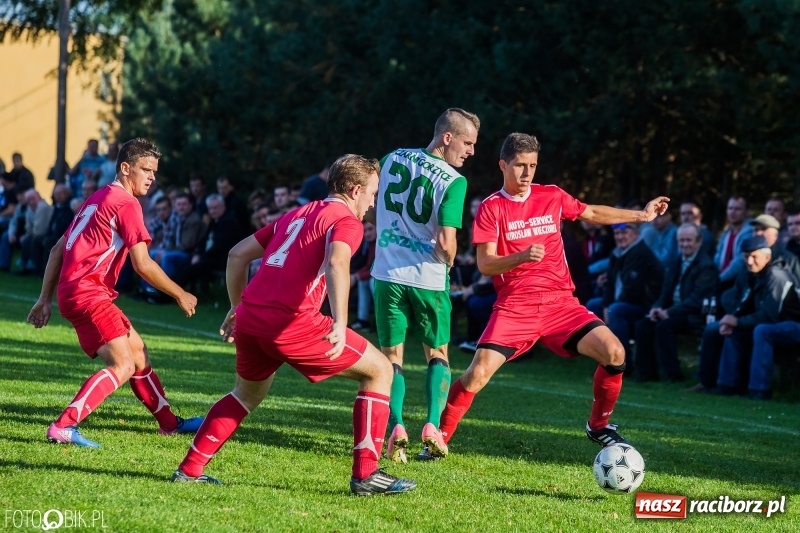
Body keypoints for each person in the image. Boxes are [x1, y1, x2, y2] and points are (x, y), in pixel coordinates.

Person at [172, 154, 416, 496]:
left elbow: (236, 255)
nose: (373, 202)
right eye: (373, 193)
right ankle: (366, 475)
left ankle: (189, 469)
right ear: (355, 189)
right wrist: (341, 322)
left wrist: (236, 307)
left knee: (245, 394)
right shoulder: (346, 220)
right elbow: (337, 262)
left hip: (253, 318)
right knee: (380, 371)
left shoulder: (297, 213)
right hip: (292, 322)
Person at [437, 132, 670, 450]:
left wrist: (641, 216)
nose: (526, 173)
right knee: (477, 373)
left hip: (561, 304)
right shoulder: (492, 208)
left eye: (532, 165)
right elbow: (486, 265)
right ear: (503, 165)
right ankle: (437, 438)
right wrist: (521, 256)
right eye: (519, 165)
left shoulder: (552, 196)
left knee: (615, 353)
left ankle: (598, 426)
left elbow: (591, 212)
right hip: (515, 306)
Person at [26, 138, 204, 448]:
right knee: (122, 365)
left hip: (79, 292)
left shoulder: (98, 198)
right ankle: (63, 426)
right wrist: (180, 293)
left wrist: (44, 299)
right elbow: (143, 264)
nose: (151, 177)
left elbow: (57, 250)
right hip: (89, 293)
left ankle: (169, 424)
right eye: (145, 170)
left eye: (154, 171)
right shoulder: (125, 203)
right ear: (125, 168)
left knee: (137, 353)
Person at [370, 108, 480, 463]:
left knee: (391, 359)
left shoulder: (392, 157)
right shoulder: (453, 181)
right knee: (437, 354)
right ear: (447, 138)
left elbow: (370, 203)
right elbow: (447, 242)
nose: (471, 151)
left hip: (387, 275)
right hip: (428, 280)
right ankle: (432, 425)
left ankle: (397, 426)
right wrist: (450, 258)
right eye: (467, 142)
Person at [633, 223, 718, 382]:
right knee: (643, 325)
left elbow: (697, 300)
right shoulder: (676, 261)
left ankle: (673, 374)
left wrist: (669, 312)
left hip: (694, 315)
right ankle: (646, 373)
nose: (685, 244)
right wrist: (656, 308)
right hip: (673, 311)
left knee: (664, 326)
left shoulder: (707, 266)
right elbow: (665, 292)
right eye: (681, 240)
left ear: (699, 242)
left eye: (689, 240)